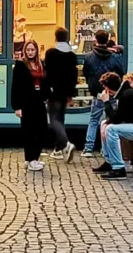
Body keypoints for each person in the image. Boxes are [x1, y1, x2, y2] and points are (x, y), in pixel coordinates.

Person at [81, 30, 125, 158]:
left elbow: (86, 72)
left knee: (94, 120)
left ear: (95, 39)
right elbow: (121, 71)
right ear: (108, 39)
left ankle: (88, 148)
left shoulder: (89, 56)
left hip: (97, 92)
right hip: (112, 92)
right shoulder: (115, 56)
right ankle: (104, 148)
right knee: (110, 120)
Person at [11, 40, 48, 172]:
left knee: (41, 130)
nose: (30, 52)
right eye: (28, 50)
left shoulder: (41, 64)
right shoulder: (21, 65)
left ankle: (34, 158)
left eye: (32, 50)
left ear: (37, 50)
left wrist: (46, 96)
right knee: (29, 132)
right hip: (26, 103)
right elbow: (15, 87)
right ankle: (31, 159)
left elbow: (45, 82)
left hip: (39, 101)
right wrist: (17, 107)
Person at [43, 27, 77, 163]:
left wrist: (46, 90)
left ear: (55, 37)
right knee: (61, 118)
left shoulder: (51, 53)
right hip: (66, 92)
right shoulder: (72, 55)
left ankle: (66, 143)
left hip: (53, 91)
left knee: (54, 120)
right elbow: (74, 75)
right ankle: (58, 148)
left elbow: (47, 73)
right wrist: (71, 93)